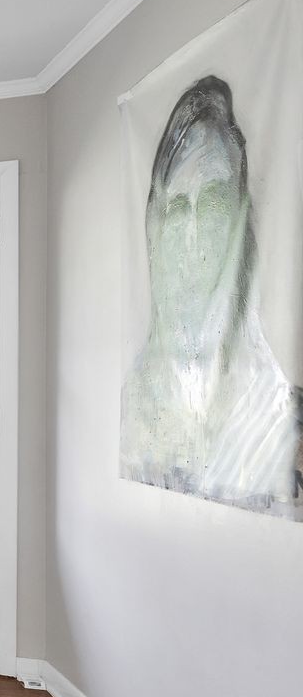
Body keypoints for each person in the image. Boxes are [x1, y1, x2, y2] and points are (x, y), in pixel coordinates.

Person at [121, 76, 303, 514]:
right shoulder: (135, 404)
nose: (194, 231)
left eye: (216, 201)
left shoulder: (285, 415)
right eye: (178, 208)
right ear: (156, 227)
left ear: (242, 219)